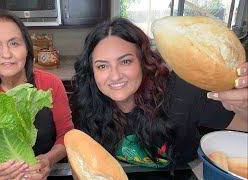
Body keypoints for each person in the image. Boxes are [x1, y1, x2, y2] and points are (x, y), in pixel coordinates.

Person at [72, 17, 247, 175]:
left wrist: (244, 106)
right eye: (102, 66)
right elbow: (81, 163)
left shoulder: (183, 92)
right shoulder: (87, 103)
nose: (115, 76)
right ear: (92, 72)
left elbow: (244, 124)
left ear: (143, 61)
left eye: (125, 61)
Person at [0, 10, 74, 180]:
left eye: (14, 43)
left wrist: (49, 160)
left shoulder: (50, 84)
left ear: (27, 47)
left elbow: (67, 135)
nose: (6, 54)